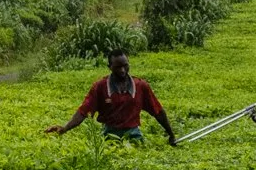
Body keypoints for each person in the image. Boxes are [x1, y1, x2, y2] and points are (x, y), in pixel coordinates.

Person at [46, 51, 178, 146]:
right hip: (109, 135)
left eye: (125, 66)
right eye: (118, 67)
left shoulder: (141, 86)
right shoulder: (100, 87)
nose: (122, 70)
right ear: (109, 67)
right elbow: (83, 112)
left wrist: (171, 134)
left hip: (134, 135)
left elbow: (158, 111)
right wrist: (64, 128)